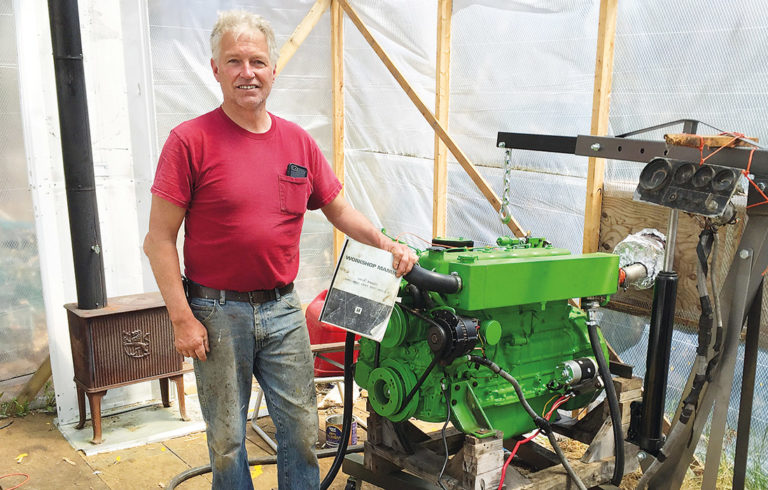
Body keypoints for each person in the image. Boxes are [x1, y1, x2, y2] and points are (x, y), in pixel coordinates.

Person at [143, 10, 417, 490]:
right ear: (216, 70)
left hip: (283, 308)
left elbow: (338, 208)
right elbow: (158, 240)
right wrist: (182, 318)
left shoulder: (297, 141)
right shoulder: (189, 141)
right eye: (234, 61)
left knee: (302, 430)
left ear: (273, 70)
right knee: (228, 438)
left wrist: (385, 242)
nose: (247, 72)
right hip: (215, 311)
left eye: (257, 61)